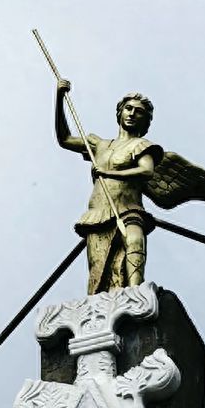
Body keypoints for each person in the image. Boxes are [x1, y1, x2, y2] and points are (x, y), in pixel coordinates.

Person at [55, 81, 160, 292]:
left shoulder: (142, 146)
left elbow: (147, 171)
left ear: (144, 120)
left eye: (138, 112)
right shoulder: (100, 145)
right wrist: (59, 98)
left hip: (129, 209)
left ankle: (136, 293)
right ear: (120, 113)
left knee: (134, 242)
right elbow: (64, 139)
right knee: (99, 271)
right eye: (128, 108)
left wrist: (109, 173)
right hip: (99, 213)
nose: (132, 114)